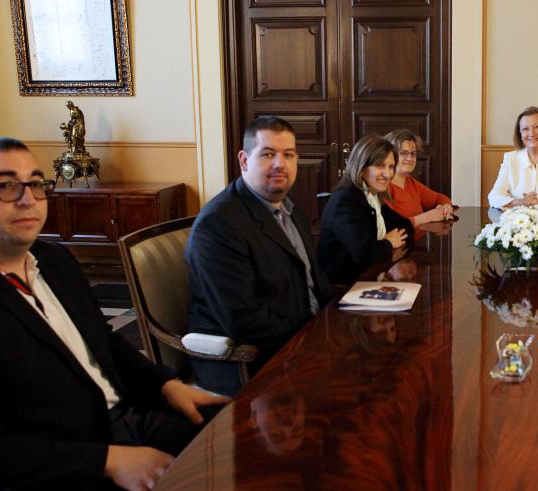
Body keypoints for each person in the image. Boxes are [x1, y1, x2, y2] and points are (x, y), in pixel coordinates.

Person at [0, 137, 229, 490]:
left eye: (37, 184)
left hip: (124, 419)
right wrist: (108, 460)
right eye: (6, 186)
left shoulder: (55, 260)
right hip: (59, 462)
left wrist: (166, 384)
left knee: (241, 434)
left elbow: (104, 341)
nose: (29, 199)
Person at [186, 116, 331, 397]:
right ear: (244, 160)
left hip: (302, 339)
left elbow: (314, 282)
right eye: (267, 154)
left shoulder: (290, 210)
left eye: (288, 155)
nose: (280, 164)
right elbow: (244, 320)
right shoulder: (218, 224)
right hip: (249, 358)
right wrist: (313, 338)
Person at [317, 135, 414, 285]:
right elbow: (363, 253)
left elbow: (406, 226)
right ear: (361, 167)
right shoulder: (345, 200)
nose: (388, 174)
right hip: (339, 290)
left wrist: (384, 243)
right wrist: (388, 242)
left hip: (367, 278)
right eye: (380, 165)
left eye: (391, 167)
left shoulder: (372, 196)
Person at [381, 129, 454, 227]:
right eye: (403, 153)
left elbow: (439, 198)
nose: (410, 158)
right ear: (390, 155)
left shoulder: (411, 183)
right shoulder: (382, 186)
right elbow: (390, 226)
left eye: (413, 153)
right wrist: (428, 216)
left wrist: (446, 207)